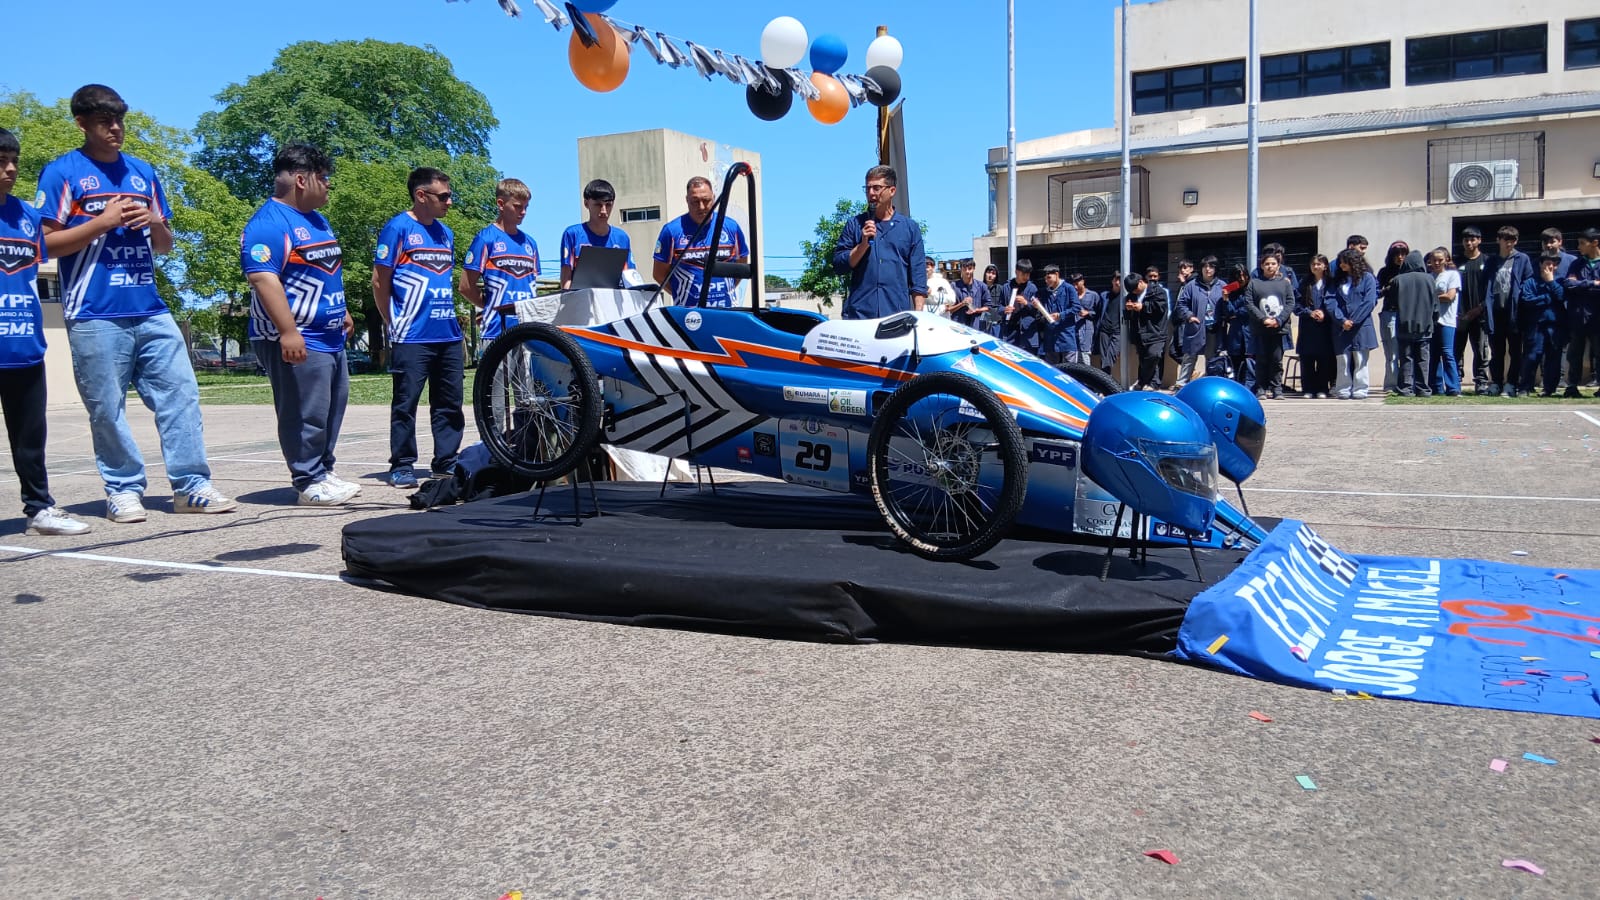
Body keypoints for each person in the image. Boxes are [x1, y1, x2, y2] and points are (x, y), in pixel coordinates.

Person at [38, 84, 235, 522]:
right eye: (105, 121)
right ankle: (123, 489)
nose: (115, 128)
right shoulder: (63, 173)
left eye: (119, 120)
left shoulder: (143, 172)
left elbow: (164, 245)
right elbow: (47, 244)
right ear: (82, 123)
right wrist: (102, 222)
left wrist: (155, 222)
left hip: (150, 307)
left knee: (181, 395)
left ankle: (191, 486)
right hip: (93, 311)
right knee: (107, 408)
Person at [240, 144, 359, 506]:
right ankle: (307, 480)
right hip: (295, 337)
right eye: (324, 179)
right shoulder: (268, 224)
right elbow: (263, 278)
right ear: (302, 179)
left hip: (329, 334)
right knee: (303, 412)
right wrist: (288, 331)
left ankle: (324, 470)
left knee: (330, 408)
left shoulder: (318, 220)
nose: (328, 186)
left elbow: (326, 271)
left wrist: (344, 311)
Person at [0, 128, 91, 535]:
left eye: (14, 159)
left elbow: (56, 252)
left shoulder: (27, 217)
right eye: (2, 160)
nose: (12, 168)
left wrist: (105, 222)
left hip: (24, 346)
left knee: (30, 439)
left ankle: (39, 508)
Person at [374, 166, 462, 488]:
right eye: (444, 196)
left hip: (449, 335)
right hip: (412, 335)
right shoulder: (397, 228)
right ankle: (402, 464)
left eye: (450, 196)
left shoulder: (446, 234)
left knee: (449, 405)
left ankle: (446, 463)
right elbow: (379, 281)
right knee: (406, 404)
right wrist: (391, 320)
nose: (449, 202)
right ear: (420, 195)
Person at [833, 165, 926, 319]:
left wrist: (918, 315)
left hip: (896, 316)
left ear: (892, 191)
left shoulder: (909, 228)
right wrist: (862, 245)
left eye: (876, 188)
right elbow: (839, 265)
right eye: (867, 188)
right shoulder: (855, 224)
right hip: (860, 316)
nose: (871, 193)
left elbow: (918, 276)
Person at [461, 178, 539, 347]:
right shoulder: (485, 238)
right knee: (497, 375)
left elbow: (532, 285)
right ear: (501, 204)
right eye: (518, 206)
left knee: (528, 375)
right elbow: (466, 286)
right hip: (496, 331)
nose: (523, 212)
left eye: (526, 207)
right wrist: (490, 306)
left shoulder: (530, 243)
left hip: (529, 330)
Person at [653, 176, 748, 308]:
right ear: (687, 200)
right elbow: (659, 274)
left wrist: (726, 289)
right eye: (695, 201)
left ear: (714, 198)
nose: (701, 206)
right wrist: (681, 295)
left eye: (706, 200)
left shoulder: (731, 227)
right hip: (689, 317)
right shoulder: (671, 231)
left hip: (727, 312)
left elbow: (741, 268)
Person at [559, 179, 634, 290]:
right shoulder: (572, 234)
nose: (604, 211)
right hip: (582, 302)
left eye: (608, 205)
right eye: (598, 205)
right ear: (586, 203)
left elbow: (630, 278)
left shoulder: (622, 238)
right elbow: (566, 281)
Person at [1486, 226, 1534, 397]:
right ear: (1498, 240)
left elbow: (1528, 283)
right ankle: (1496, 383)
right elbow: (1486, 285)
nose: (1509, 243)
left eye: (1513, 240)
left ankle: (1512, 384)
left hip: (1515, 313)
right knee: (1496, 350)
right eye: (1506, 239)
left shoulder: (1522, 259)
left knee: (1515, 351)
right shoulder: (1492, 261)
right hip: (1496, 312)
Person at [1329, 248, 1379, 400]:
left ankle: (1360, 389)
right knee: (1343, 360)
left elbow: (1369, 301)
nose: (1341, 265)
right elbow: (1330, 301)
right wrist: (1342, 320)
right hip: (1341, 327)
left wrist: (1354, 320)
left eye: (1344, 262)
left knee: (1360, 359)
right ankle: (1343, 389)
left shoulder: (1368, 278)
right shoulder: (1337, 280)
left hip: (1361, 327)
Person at [1242, 252, 1293, 399]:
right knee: (1261, 359)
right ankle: (1261, 389)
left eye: (1273, 264)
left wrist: (1279, 320)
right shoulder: (1254, 283)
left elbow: (1290, 303)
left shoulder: (1285, 283)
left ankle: (1277, 389)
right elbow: (1249, 303)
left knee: (1276, 360)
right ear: (1262, 266)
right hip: (1260, 329)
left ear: (1278, 266)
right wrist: (1263, 319)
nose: (1270, 266)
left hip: (1279, 328)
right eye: (1267, 264)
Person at [1518, 253, 1566, 397]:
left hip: (1555, 326)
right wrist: (1546, 298)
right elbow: (1527, 300)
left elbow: (1561, 297)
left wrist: (1551, 282)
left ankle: (1549, 389)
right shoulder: (1531, 282)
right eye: (1546, 263)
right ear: (1540, 264)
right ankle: (1524, 387)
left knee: (1553, 358)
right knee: (1532, 356)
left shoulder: (1560, 281)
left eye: (1553, 264)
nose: (1549, 266)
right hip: (1536, 325)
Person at [1390, 251, 1436, 397]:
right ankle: (1423, 388)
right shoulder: (1430, 279)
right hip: (1425, 326)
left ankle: (1406, 388)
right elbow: (1435, 306)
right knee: (1423, 359)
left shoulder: (1398, 280)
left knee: (1406, 359)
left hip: (1404, 325)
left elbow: (1393, 304)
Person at [1454, 226, 1494, 394]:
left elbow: (1492, 290)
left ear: (1479, 240)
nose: (1469, 243)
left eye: (1472, 239)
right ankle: (1455, 381)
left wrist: (1480, 308)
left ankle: (1481, 382)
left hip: (1480, 315)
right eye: (1466, 240)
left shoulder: (1488, 261)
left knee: (1481, 350)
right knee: (1456, 350)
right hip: (1459, 316)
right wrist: (1459, 312)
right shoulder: (1455, 262)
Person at [1174, 257, 1223, 389]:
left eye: (1211, 266)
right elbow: (1181, 304)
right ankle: (1181, 384)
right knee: (1190, 356)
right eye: (1205, 266)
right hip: (1195, 327)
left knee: (1212, 358)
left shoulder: (1222, 286)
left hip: (1214, 328)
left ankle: (1209, 385)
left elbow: (1228, 306)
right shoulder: (1192, 285)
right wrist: (1190, 316)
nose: (1208, 269)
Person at [1562, 228, 1600, 398]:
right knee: (1574, 354)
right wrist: (1592, 283)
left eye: (1582, 243)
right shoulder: (1577, 263)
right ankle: (1572, 386)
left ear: (1595, 243)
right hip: (1578, 316)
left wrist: (1580, 284)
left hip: (1597, 317)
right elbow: (1568, 284)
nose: (1579, 247)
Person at [1294, 254, 1336, 398]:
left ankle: (1323, 388)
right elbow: (1297, 305)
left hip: (1325, 327)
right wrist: (1309, 313)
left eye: (1319, 264)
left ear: (1325, 266)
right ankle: (1308, 389)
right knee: (1307, 359)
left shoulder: (1331, 283)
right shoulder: (1304, 283)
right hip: (1308, 327)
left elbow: (1335, 302)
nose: (1315, 267)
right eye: (1313, 264)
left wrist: (1324, 313)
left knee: (1324, 359)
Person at [1376, 240, 1411, 394]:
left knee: (1408, 353)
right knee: (1392, 353)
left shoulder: (1411, 272)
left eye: (1403, 254)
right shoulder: (1384, 272)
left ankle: (1407, 384)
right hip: (1390, 313)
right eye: (1396, 254)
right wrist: (1389, 286)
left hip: (1408, 314)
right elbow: (1376, 293)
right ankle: (1391, 385)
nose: (1400, 257)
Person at [1124, 271, 1168, 390]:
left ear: (1141, 282)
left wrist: (1143, 307)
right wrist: (1128, 309)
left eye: (1134, 289)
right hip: (1139, 333)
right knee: (1144, 359)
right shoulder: (1131, 296)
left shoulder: (1158, 291)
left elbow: (1161, 308)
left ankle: (1146, 381)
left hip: (1156, 331)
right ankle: (1148, 384)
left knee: (1154, 355)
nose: (1134, 292)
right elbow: (1127, 317)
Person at [1427, 247, 1462, 397]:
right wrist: (1438, 295)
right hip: (1431, 320)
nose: (1436, 263)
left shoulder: (1452, 275)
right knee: (1433, 355)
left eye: (1440, 260)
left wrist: (1433, 297)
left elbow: (1450, 296)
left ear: (1446, 260)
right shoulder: (1428, 277)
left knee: (1447, 353)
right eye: (1434, 260)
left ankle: (1453, 387)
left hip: (1446, 319)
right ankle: (1436, 387)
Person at [1221, 265, 1254, 390]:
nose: (1241, 279)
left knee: (1250, 362)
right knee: (1235, 360)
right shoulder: (1231, 293)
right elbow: (1228, 313)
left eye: (1243, 275)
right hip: (1235, 333)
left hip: (1249, 331)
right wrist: (1225, 299)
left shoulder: (1251, 290)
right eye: (1238, 276)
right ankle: (1237, 387)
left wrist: (1235, 313)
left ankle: (1250, 388)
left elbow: (1248, 310)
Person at [997, 259, 1038, 345]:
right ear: (1016, 272)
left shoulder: (1032, 288)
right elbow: (999, 307)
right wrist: (1005, 309)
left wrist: (1026, 303)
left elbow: (1037, 311)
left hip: (1027, 331)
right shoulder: (1006, 287)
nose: (1026, 277)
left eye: (1028, 274)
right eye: (1023, 274)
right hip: (1009, 330)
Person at [947, 259, 991, 330]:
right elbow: (948, 309)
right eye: (964, 269)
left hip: (976, 325)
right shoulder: (953, 286)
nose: (967, 271)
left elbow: (988, 307)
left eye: (970, 269)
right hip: (958, 325)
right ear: (961, 269)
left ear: (974, 269)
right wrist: (962, 303)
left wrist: (976, 310)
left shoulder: (982, 286)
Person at [1096, 271, 1124, 377]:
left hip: (1118, 331)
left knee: (1110, 356)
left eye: (1120, 280)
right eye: (1116, 279)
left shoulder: (1125, 297)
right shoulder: (1105, 296)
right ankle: (1105, 381)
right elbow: (1098, 311)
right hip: (1104, 329)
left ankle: (1106, 379)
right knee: (1103, 357)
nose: (1118, 282)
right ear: (1112, 281)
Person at [1068, 273, 1098, 366]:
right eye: (1074, 284)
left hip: (1086, 328)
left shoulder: (1093, 295)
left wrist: (1088, 313)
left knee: (1085, 354)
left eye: (1077, 284)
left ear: (1083, 281)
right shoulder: (1071, 296)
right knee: (1073, 355)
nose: (1075, 286)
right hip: (1073, 328)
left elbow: (1099, 312)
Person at [979, 263, 1004, 335]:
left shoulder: (1000, 288)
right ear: (985, 274)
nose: (990, 275)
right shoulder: (979, 287)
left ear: (996, 276)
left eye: (993, 273)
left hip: (995, 319)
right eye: (988, 272)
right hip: (982, 317)